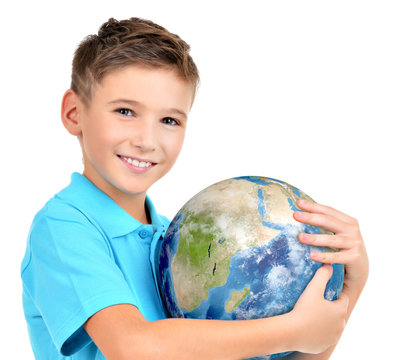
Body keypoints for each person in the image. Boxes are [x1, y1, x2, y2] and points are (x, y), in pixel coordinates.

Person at [20, 17, 368, 360]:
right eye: (125, 111)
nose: (146, 140)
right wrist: (293, 331)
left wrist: (348, 290)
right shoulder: (64, 228)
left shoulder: (175, 240)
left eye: (169, 120)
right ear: (73, 112)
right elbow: (132, 347)